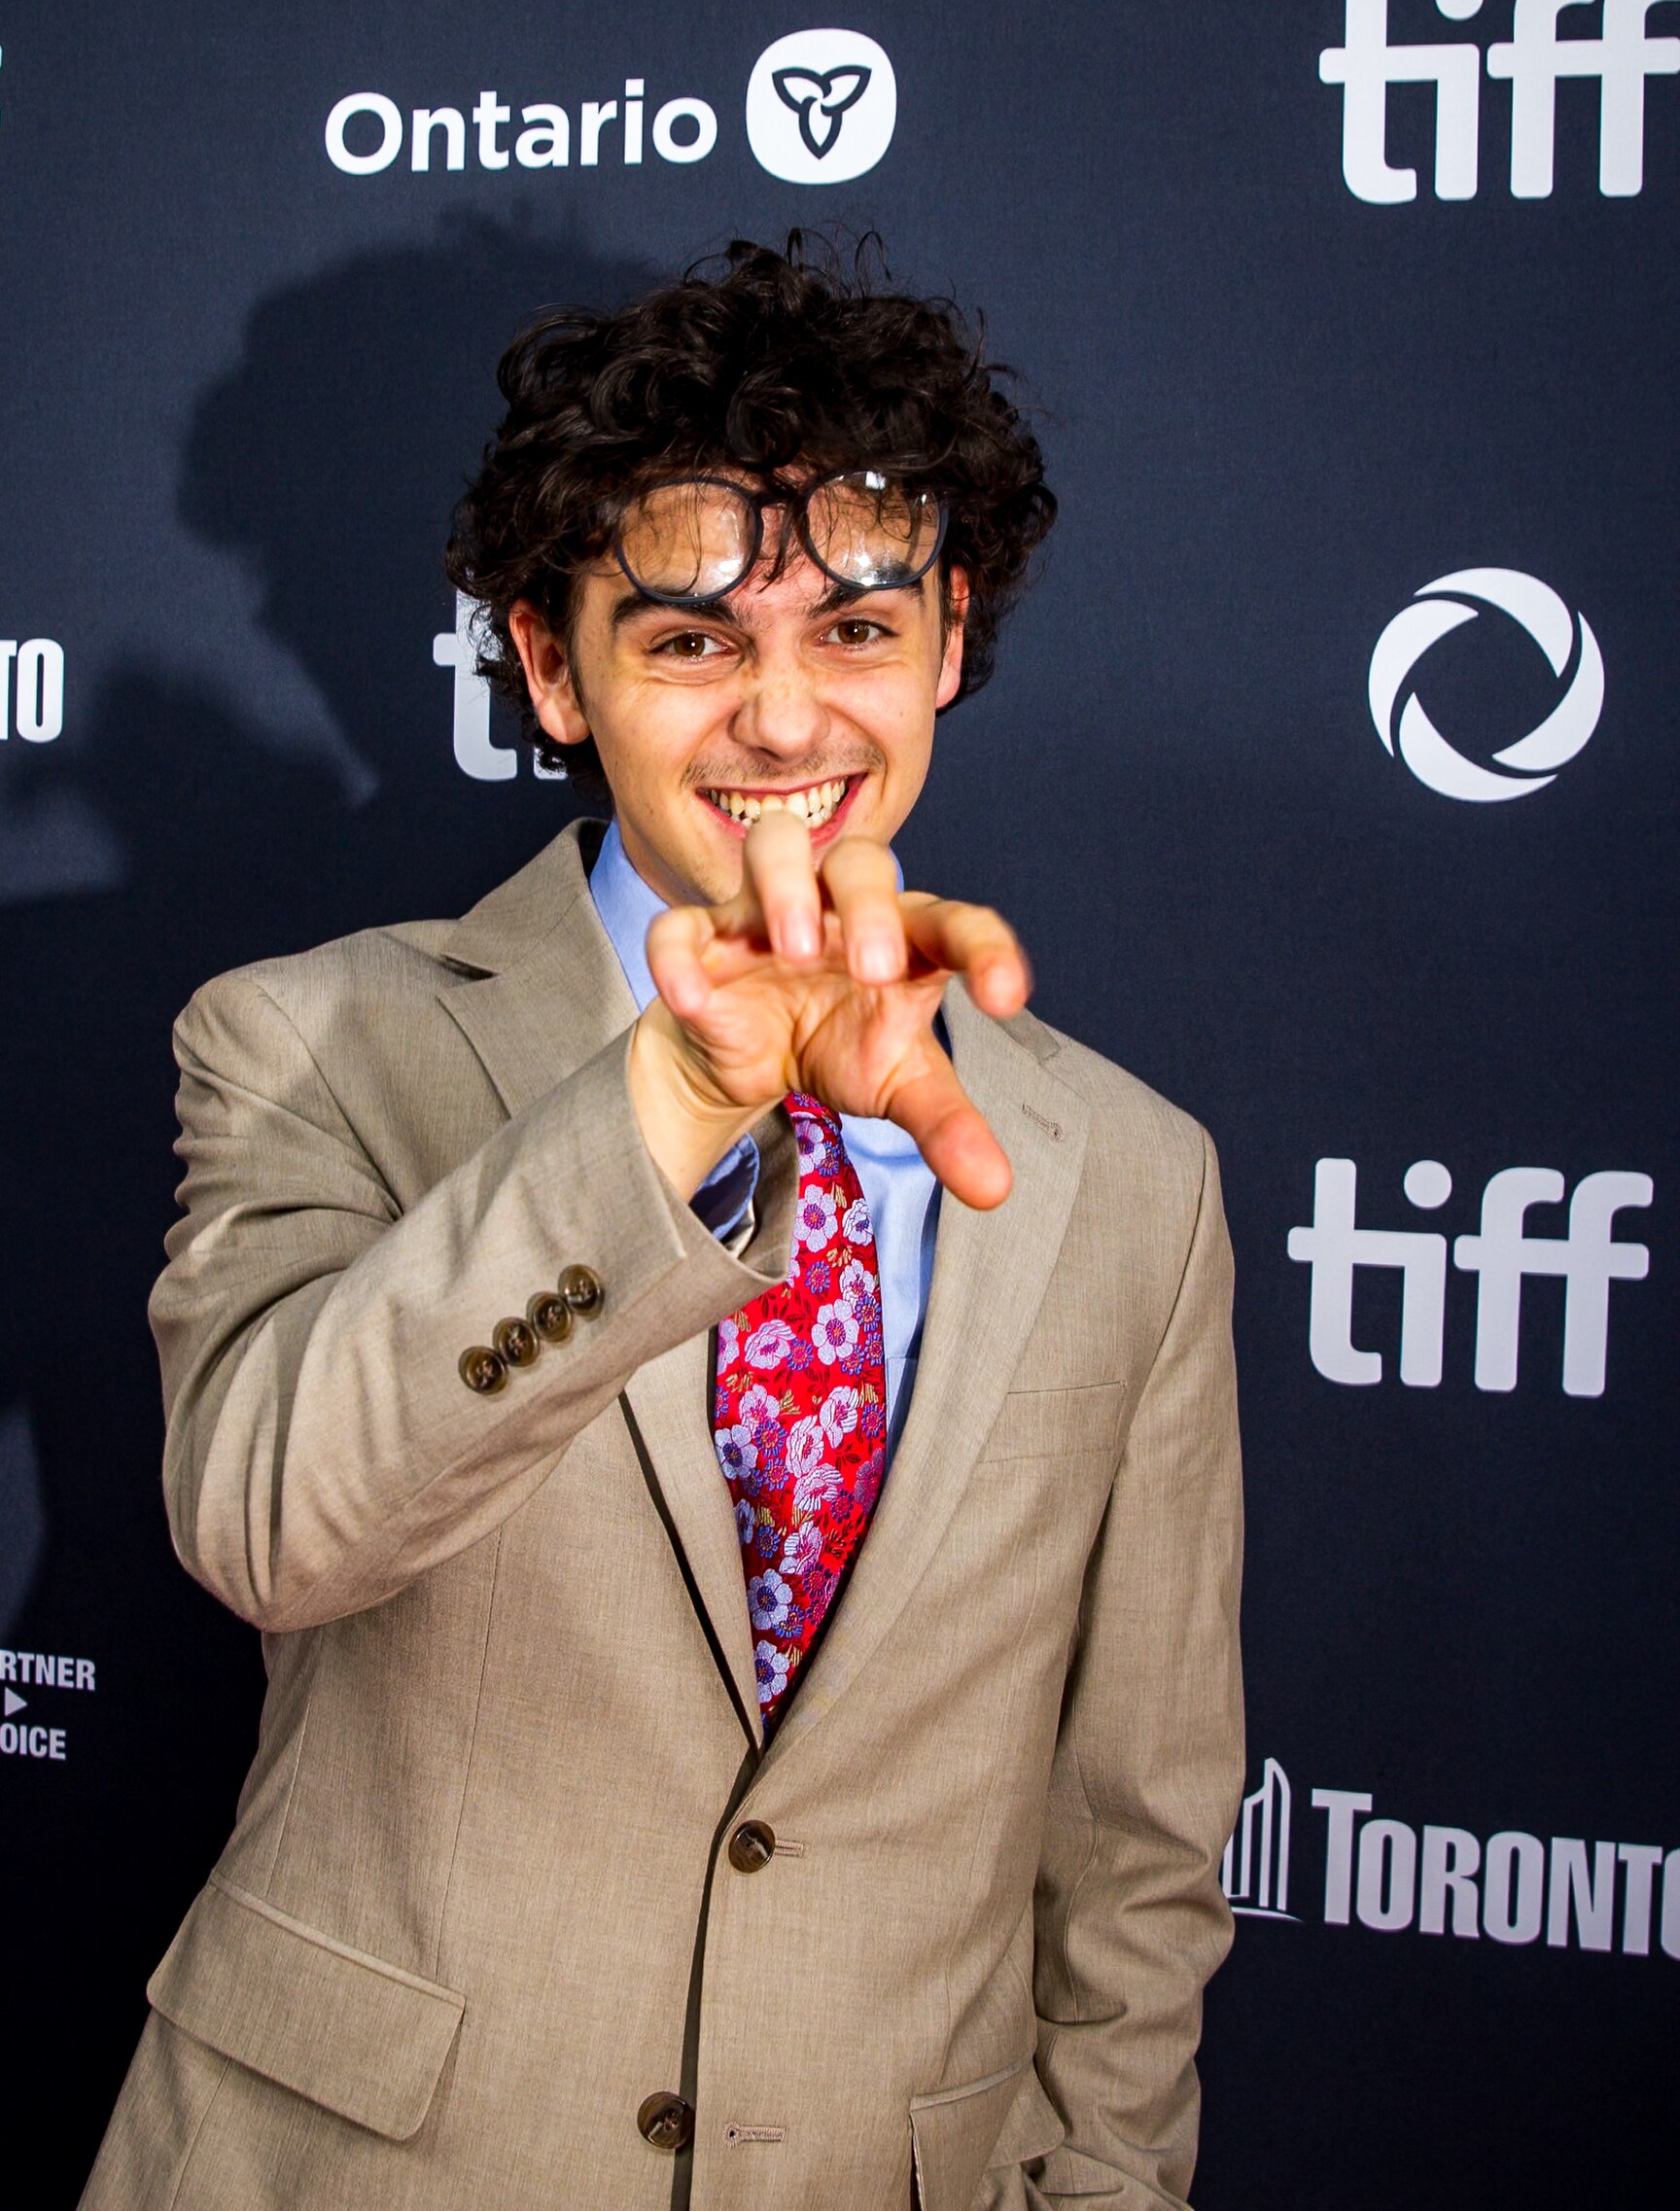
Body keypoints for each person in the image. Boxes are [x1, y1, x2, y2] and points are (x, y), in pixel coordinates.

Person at [81, 237, 1242, 2211]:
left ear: (951, 639)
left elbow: (1133, 1834)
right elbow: (270, 1520)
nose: (785, 721)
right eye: (695, 641)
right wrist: (676, 1109)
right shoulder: (308, 1042)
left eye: (858, 631)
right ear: (552, 665)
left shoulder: (1132, 1172)